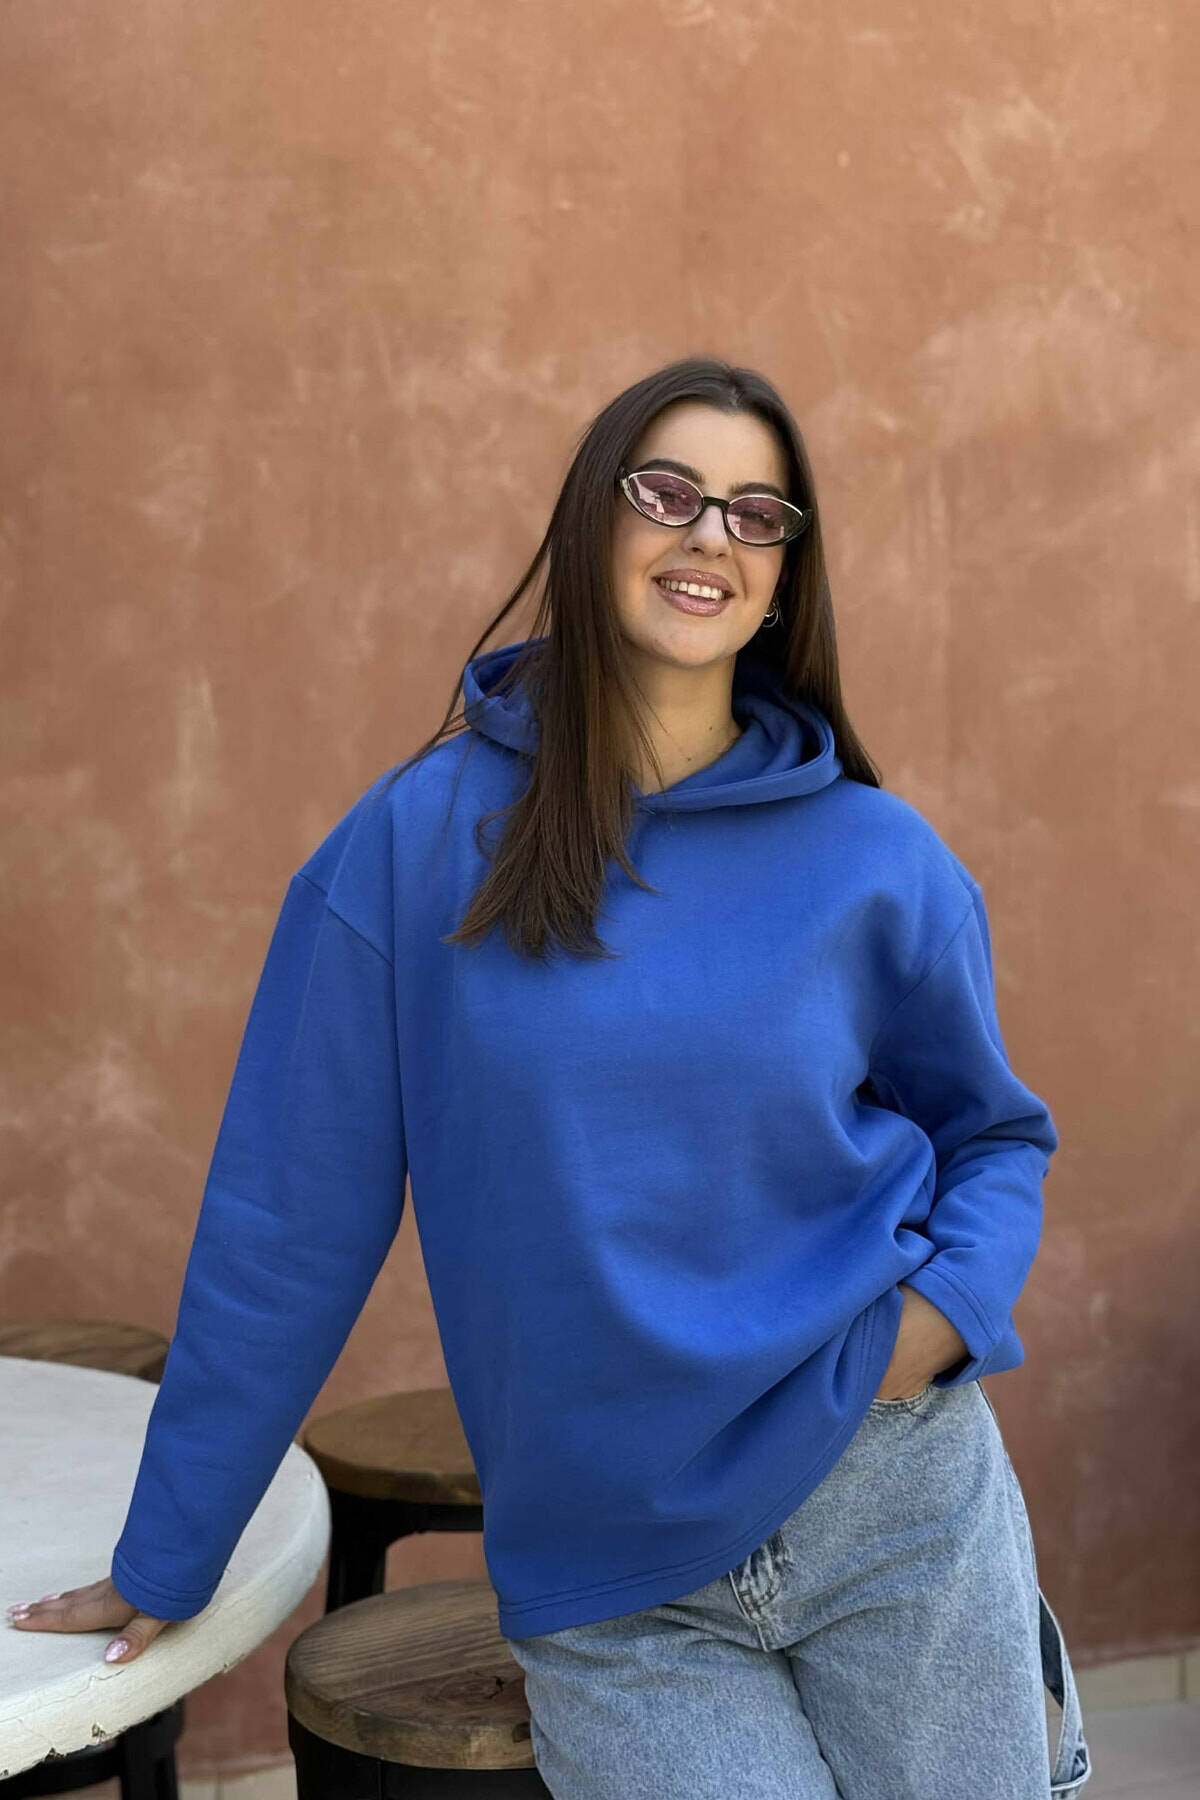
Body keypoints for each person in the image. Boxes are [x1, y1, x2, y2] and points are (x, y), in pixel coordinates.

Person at [8, 357, 1091, 1797]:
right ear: (594, 520)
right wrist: (172, 1549)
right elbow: (291, 1218)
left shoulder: (879, 859)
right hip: (613, 1576)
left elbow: (991, 1136)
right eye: (670, 493)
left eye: (758, 514)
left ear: (785, 576)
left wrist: (932, 1330)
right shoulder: (417, 844)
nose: (711, 537)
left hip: (895, 1503)